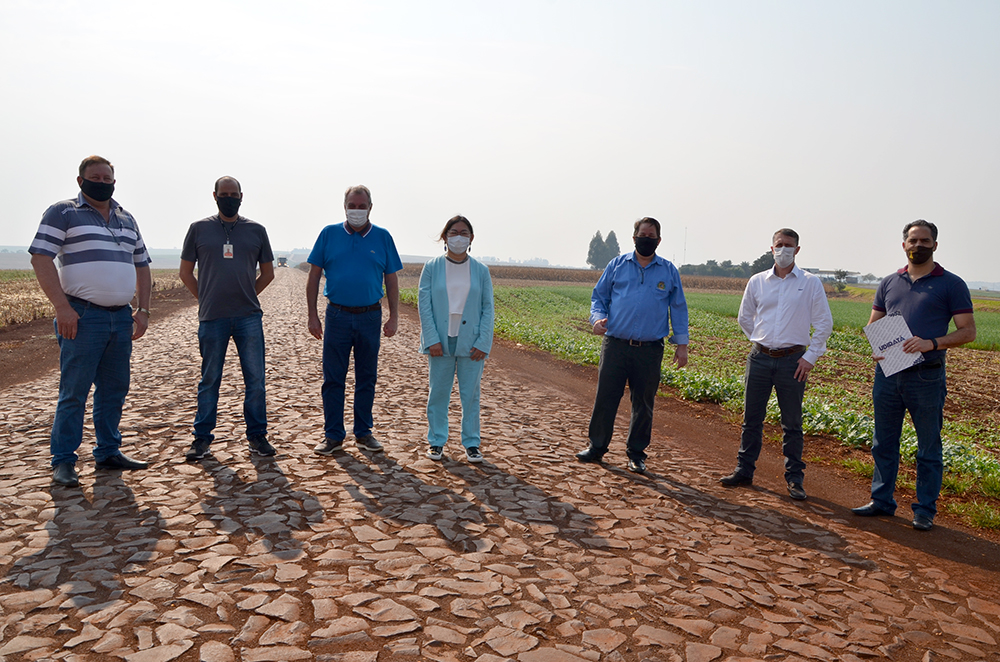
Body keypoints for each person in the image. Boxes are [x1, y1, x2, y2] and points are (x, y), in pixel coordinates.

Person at [29, 155, 152, 487]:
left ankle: (108, 451)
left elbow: (142, 264)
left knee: (114, 389)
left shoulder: (126, 218)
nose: (103, 181)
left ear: (114, 180)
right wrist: (61, 307)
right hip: (82, 316)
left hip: (120, 318)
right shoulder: (64, 212)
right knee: (74, 391)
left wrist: (143, 310)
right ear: (81, 181)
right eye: (95, 176)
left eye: (107, 176)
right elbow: (40, 256)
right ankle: (64, 460)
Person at [852, 220, 975, 531]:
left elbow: (968, 332)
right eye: (913, 240)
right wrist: (876, 346)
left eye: (925, 240)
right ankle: (881, 502)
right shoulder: (889, 282)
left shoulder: (951, 284)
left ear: (935, 245)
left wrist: (931, 343)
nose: (918, 245)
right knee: (883, 442)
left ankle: (924, 510)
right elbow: (874, 324)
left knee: (928, 446)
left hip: (926, 375)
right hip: (888, 373)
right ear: (903, 244)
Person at [719, 229, 833, 500]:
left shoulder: (810, 283)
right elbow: (744, 317)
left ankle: (794, 478)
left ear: (797, 249)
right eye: (779, 245)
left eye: (789, 246)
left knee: (792, 423)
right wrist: (761, 341)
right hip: (759, 359)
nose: (784, 250)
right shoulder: (758, 281)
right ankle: (744, 471)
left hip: (793, 361)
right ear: (771, 249)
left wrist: (810, 357)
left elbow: (824, 323)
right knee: (751, 420)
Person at [577, 217, 689, 474]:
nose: (646, 239)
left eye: (651, 236)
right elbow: (599, 297)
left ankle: (636, 454)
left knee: (644, 403)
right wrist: (596, 319)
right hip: (615, 344)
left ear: (658, 241)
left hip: (650, 349)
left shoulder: (668, 271)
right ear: (634, 237)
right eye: (642, 234)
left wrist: (681, 344)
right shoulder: (617, 265)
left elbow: (679, 309)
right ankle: (596, 447)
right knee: (606, 397)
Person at [179, 176, 276, 461]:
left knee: (256, 380)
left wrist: (247, 294)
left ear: (242, 196)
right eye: (224, 194)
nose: (229, 198)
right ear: (215, 196)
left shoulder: (256, 230)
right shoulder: (198, 230)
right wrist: (206, 296)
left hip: (248, 317)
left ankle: (257, 436)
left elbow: (268, 273)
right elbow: (185, 273)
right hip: (212, 318)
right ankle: (201, 439)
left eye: (234, 194)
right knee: (210, 379)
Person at [307, 185, 402, 455]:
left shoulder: (382, 237)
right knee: (333, 378)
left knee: (366, 377)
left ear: (370, 207)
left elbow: (391, 279)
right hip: (336, 315)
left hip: (370, 316)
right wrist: (313, 315)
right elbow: (313, 276)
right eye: (352, 205)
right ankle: (333, 436)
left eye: (362, 206)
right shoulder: (329, 234)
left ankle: (363, 433)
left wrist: (394, 316)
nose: (357, 210)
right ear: (344, 206)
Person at [418, 216, 495, 463]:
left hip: (471, 342)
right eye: (453, 232)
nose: (458, 237)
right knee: (438, 393)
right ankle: (436, 441)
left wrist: (483, 342)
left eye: (464, 232)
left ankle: (471, 442)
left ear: (471, 238)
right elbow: (425, 306)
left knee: (470, 396)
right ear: (445, 236)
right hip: (440, 341)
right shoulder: (431, 268)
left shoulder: (481, 271)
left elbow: (487, 308)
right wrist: (431, 338)